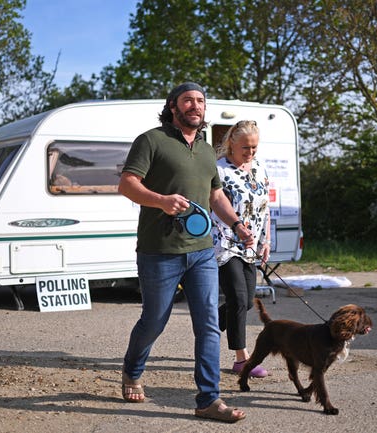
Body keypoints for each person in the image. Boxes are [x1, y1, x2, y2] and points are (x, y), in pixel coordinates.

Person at [118, 82, 254, 423]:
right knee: (154, 320)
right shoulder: (151, 140)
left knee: (208, 324)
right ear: (174, 106)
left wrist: (237, 224)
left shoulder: (208, 150)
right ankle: (132, 369)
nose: (195, 106)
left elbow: (216, 197)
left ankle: (209, 399)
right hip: (159, 250)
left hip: (202, 252)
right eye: (188, 100)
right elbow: (127, 184)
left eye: (200, 101)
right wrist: (161, 201)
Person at [210, 120, 272, 377]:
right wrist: (236, 228)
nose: (250, 153)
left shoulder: (259, 167)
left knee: (246, 301)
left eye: (254, 148)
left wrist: (266, 240)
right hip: (225, 242)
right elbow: (213, 204)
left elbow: (264, 207)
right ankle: (241, 359)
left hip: (251, 244)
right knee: (237, 298)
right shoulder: (219, 170)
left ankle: (209, 323)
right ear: (231, 144)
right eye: (245, 148)